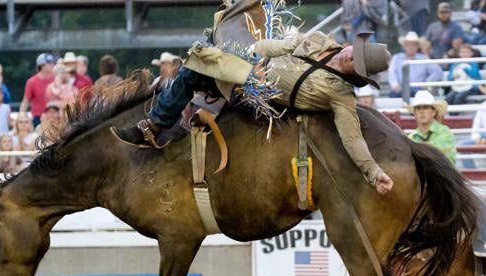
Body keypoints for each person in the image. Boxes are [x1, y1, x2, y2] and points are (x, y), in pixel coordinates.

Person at [114, 31, 395, 194]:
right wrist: (254, 51)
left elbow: (352, 138)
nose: (349, 57)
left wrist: (372, 172)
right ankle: (157, 128)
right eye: (354, 52)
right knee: (197, 62)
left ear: (357, 74)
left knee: (195, 68)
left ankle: (155, 128)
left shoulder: (340, 95)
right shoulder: (319, 40)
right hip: (248, 69)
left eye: (355, 62)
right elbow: (279, 46)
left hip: (261, 102)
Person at [387, 31, 443, 97]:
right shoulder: (397, 58)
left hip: (418, 90)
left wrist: (426, 83)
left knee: (422, 96)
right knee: (393, 95)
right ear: (404, 46)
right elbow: (392, 73)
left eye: (413, 44)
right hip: (401, 89)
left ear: (417, 46)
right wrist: (395, 85)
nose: (411, 46)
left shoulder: (423, 58)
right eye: (408, 44)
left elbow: (438, 71)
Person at [407, 90, 456, 163]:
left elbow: (436, 154)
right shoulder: (411, 138)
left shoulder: (445, 133)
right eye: (418, 108)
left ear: (434, 112)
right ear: (415, 113)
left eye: (425, 107)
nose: (421, 111)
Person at [20, 52, 55, 127]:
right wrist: (21, 115)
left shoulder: (56, 79)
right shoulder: (32, 81)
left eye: (52, 62)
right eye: (49, 63)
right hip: (38, 117)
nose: (52, 64)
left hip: (54, 116)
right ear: (41, 65)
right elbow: (25, 101)